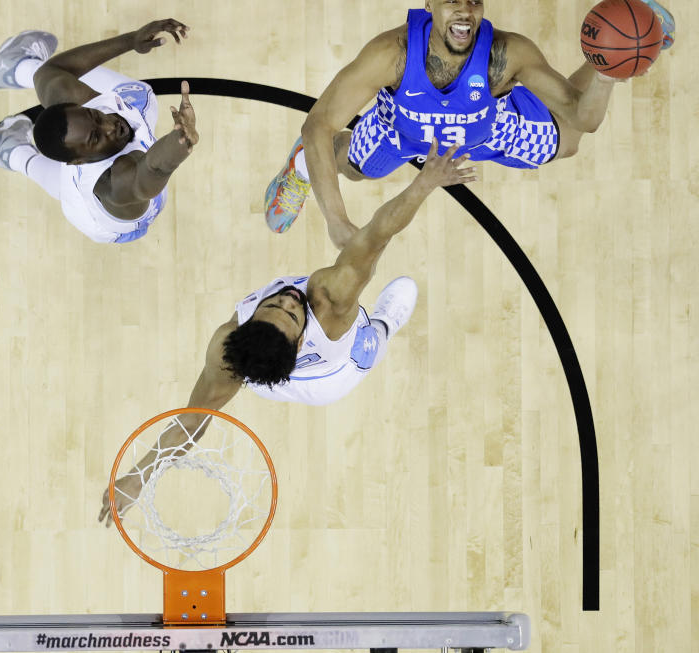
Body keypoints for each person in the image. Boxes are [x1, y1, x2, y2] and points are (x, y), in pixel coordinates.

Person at [99, 140, 476, 525]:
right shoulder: (327, 303)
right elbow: (195, 422)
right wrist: (139, 477)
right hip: (331, 375)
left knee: (356, 245)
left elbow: (377, 233)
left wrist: (133, 476)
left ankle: (305, 172)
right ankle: (384, 323)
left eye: (275, 305)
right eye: (290, 312)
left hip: (270, 370)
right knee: (369, 345)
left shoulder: (245, 336)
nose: (289, 299)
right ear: (299, 340)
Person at [264, 0, 676, 249]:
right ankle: (301, 168)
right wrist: (337, 224)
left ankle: (632, 30)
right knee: (351, 169)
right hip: (401, 129)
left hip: (484, 127)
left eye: (475, 2)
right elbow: (318, 124)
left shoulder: (507, 54)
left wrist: (612, 70)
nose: (465, 13)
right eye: (452, 2)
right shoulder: (392, 54)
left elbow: (584, 117)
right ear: (430, 6)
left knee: (569, 141)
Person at [0, 19, 198, 244]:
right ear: (80, 161)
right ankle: (12, 151)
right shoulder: (112, 183)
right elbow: (154, 168)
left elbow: (51, 70)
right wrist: (181, 141)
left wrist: (131, 40)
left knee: (137, 93)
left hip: (102, 173)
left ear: (80, 106)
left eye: (96, 116)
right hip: (109, 224)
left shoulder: (80, 107)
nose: (111, 126)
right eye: (96, 137)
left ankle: (11, 67)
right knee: (68, 189)